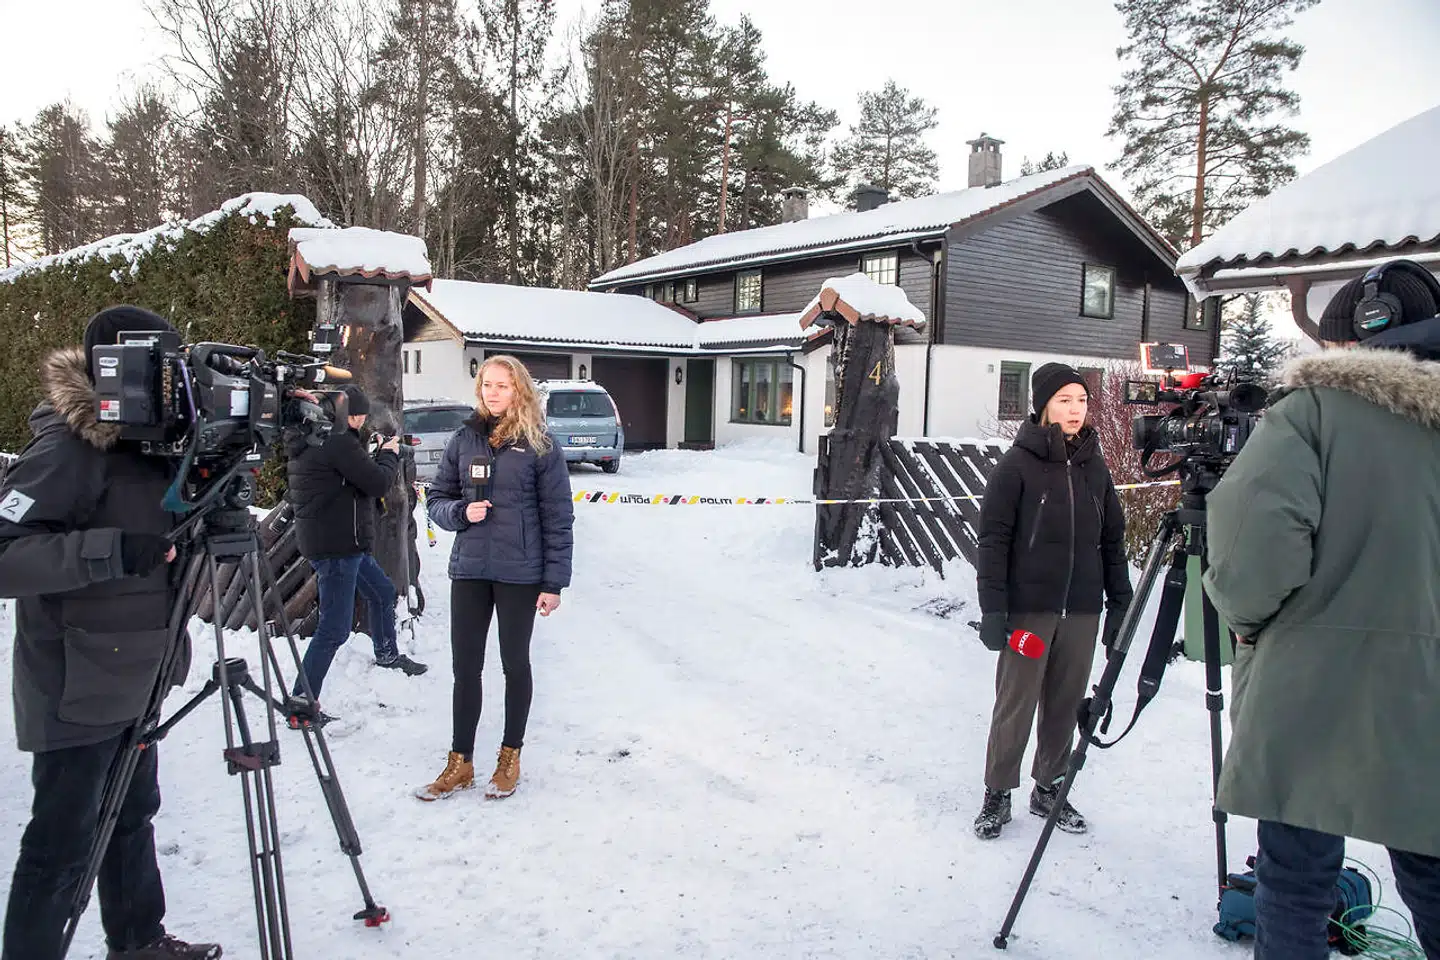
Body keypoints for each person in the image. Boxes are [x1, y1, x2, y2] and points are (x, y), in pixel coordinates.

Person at [1204, 262, 1440, 959]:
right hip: (1426, 694)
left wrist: (1243, 618)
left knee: (1297, 872)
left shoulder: (1310, 414)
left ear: (1352, 342)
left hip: (1310, 687)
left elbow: (1254, 552)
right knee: (1429, 864)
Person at [0, 306, 221, 959]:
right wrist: (109, 551)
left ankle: (138, 940)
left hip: (138, 677)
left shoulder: (154, 453)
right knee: (62, 844)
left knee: (131, 819)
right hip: (75, 687)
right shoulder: (67, 450)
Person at [972, 362, 1132, 840]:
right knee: (1016, 703)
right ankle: (998, 794)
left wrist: (1120, 603)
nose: (1075, 410)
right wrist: (993, 609)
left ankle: (1050, 787)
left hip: (1082, 611)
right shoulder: (1016, 466)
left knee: (1064, 703)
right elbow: (993, 541)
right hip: (1030, 612)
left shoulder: (1095, 465)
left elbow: (1113, 540)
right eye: (1064, 400)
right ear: (1043, 406)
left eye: (1081, 400)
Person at [417, 355, 574, 801]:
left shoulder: (540, 444)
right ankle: (460, 761)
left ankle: (509, 756)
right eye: (487, 384)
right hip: (469, 568)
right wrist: (459, 512)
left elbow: (558, 518)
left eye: (503, 385)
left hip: (519, 573)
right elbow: (436, 499)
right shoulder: (465, 438)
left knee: (514, 664)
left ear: (519, 390)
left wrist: (552, 583)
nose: (493, 392)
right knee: (465, 668)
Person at [286, 384, 427, 719]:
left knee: (381, 593)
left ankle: (387, 655)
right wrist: (389, 454)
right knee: (334, 629)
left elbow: (353, 477)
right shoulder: (336, 443)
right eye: (354, 414)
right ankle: (302, 705)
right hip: (337, 547)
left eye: (362, 414)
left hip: (342, 542)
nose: (360, 420)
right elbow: (376, 483)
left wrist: (375, 455)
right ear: (337, 414)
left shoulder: (317, 437)